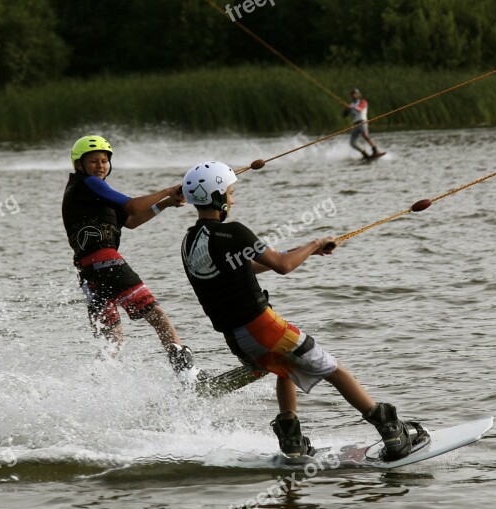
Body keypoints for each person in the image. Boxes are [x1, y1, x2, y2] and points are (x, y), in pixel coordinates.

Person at [179, 161, 426, 460]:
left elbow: (246, 267)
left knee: (286, 370)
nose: (233, 199)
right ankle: (392, 431)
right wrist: (315, 241)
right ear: (216, 196)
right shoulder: (234, 232)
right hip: (264, 328)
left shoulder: (190, 241)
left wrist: (306, 251)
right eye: (230, 192)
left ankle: (292, 444)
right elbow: (282, 266)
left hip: (237, 339)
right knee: (333, 368)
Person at [61, 135, 200, 381]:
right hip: (107, 261)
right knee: (157, 316)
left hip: (88, 272)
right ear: (78, 165)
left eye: (104, 161)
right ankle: (187, 374)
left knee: (111, 338)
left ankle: (95, 383)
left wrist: (166, 203)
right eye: (93, 161)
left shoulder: (94, 192)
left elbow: (132, 221)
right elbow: (134, 206)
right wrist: (168, 190)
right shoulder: (89, 184)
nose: (100, 166)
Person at [343, 88, 382, 159]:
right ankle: (364, 153)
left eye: (355, 94)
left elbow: (360, 109)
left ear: (358, 94)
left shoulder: (363, 101)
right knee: (352, 143)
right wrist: (346, 109)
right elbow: (345, 115)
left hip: (362, 122)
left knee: (365, 136)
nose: (354, 95)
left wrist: (351, 107)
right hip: (355, 124)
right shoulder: (352, 104)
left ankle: (376, 151)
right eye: (352, 94)